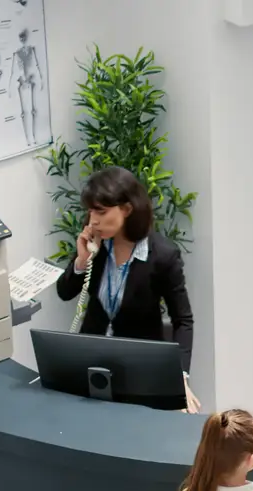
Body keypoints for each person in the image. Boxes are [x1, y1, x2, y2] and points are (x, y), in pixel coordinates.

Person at [55, 166, 200, 412]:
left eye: (101, 211)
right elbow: (65, 292)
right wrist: (81, 261)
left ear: (127, 209)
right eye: (90, 212)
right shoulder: (96, 245)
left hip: (140, 371)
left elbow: (183, 320)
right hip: (93, 364)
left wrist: (180, 376)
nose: (93, 221)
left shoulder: (162, 256)